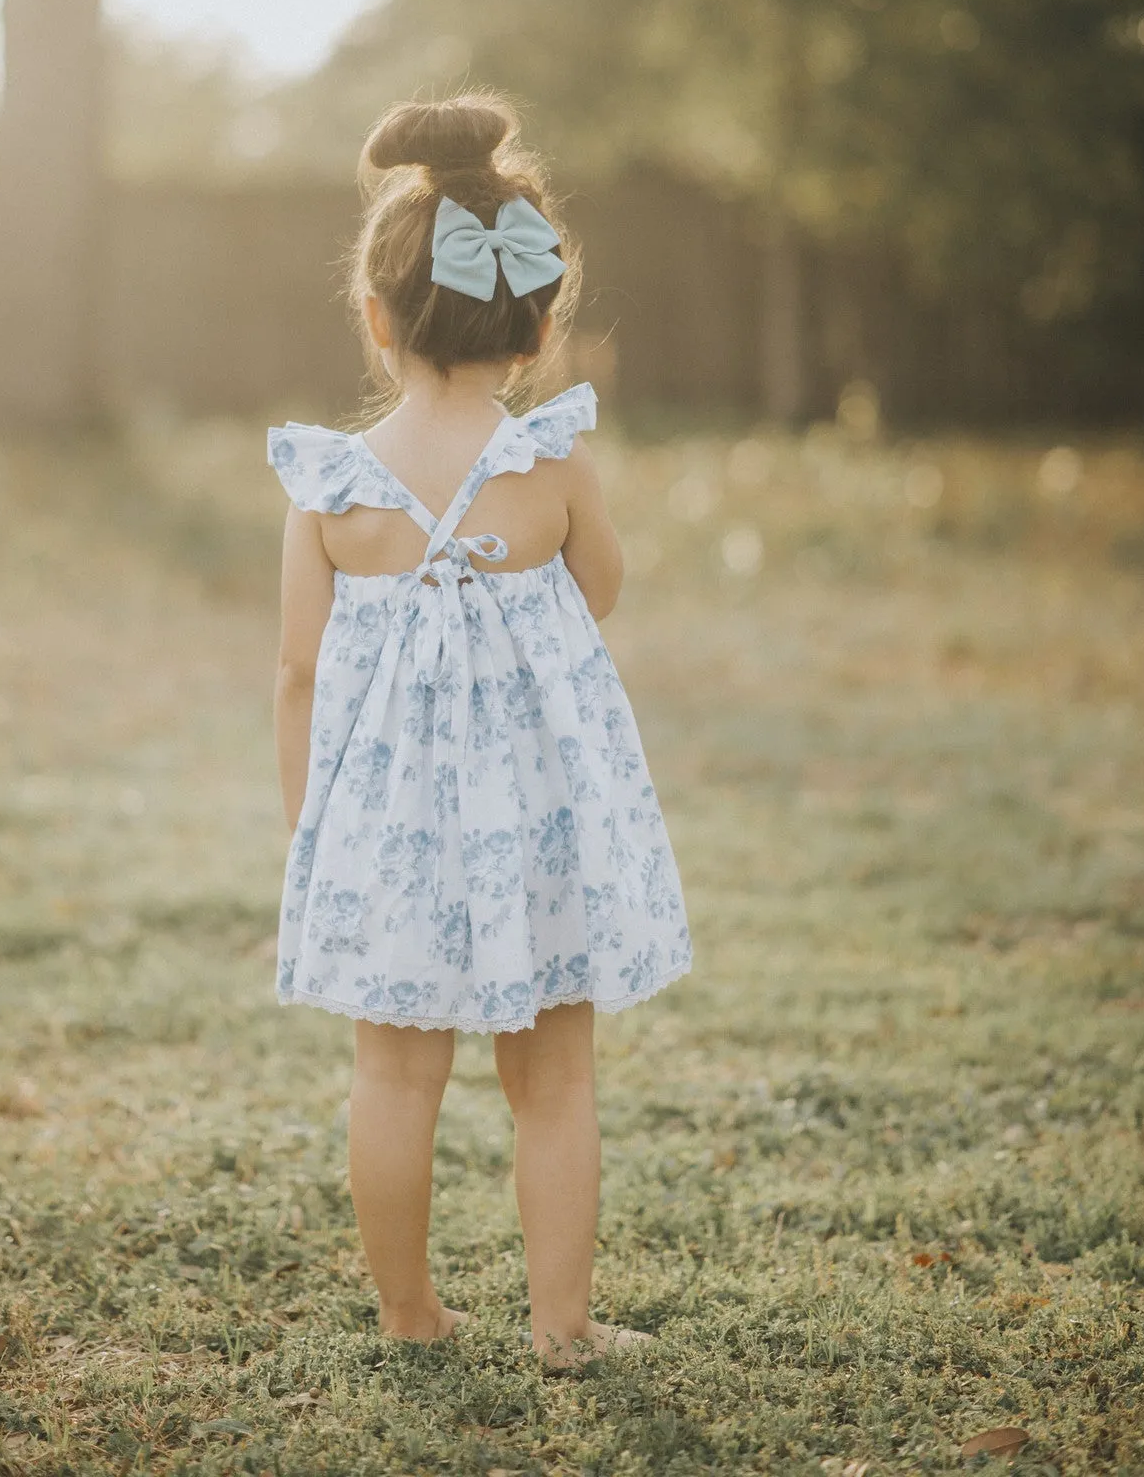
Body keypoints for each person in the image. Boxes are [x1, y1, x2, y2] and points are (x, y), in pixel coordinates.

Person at [266, 92, 692, 1367]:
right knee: (552, 1082)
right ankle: (560, 1329)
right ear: (538, 320)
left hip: (386, 836)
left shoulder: (331, 488)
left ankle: (409, 1316)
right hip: (542, 827)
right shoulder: (550, 463)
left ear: (375, 316)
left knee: (394, 1078)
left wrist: (312, 830)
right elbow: (599, 591)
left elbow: (295, 669)